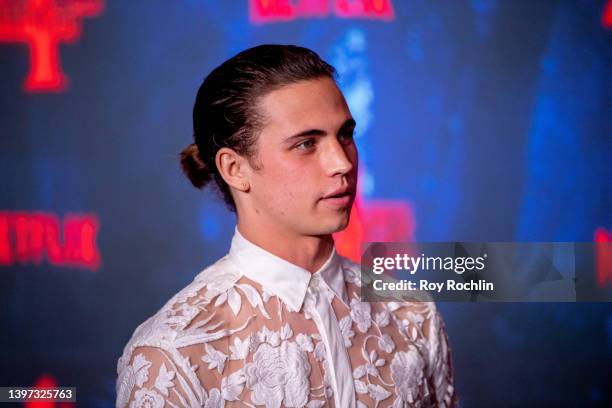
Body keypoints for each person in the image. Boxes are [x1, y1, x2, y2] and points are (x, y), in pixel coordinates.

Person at [116, 44, 457, 408]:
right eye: (307, 143)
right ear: (235, 169)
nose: (341, 162)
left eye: (344, 134)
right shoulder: (172, 354)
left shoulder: (412, 315)